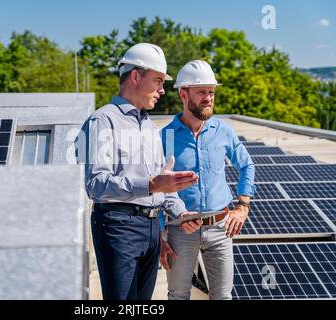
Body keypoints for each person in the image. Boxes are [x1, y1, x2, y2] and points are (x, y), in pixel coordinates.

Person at [77, 43, 203, 300]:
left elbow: (161, 186)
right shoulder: (103, 120)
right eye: (157, 80)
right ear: (135, 76)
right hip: (118, 226)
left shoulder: (148, 126)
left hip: (151, 229)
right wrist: (151, 184)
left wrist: (182, 213)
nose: (162, 89)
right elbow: (96, 184)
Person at [159, 60, 256, 300]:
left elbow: (247, 165)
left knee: (222, 296)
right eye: (201, 92)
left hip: (221, 228)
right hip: (180, 230)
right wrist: (160, 237)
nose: (209, 98)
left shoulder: (223, 131)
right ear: (183, 94)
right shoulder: (166, 137)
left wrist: (243, 206)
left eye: (211, 92)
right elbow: (157, 189)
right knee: (178, 295)